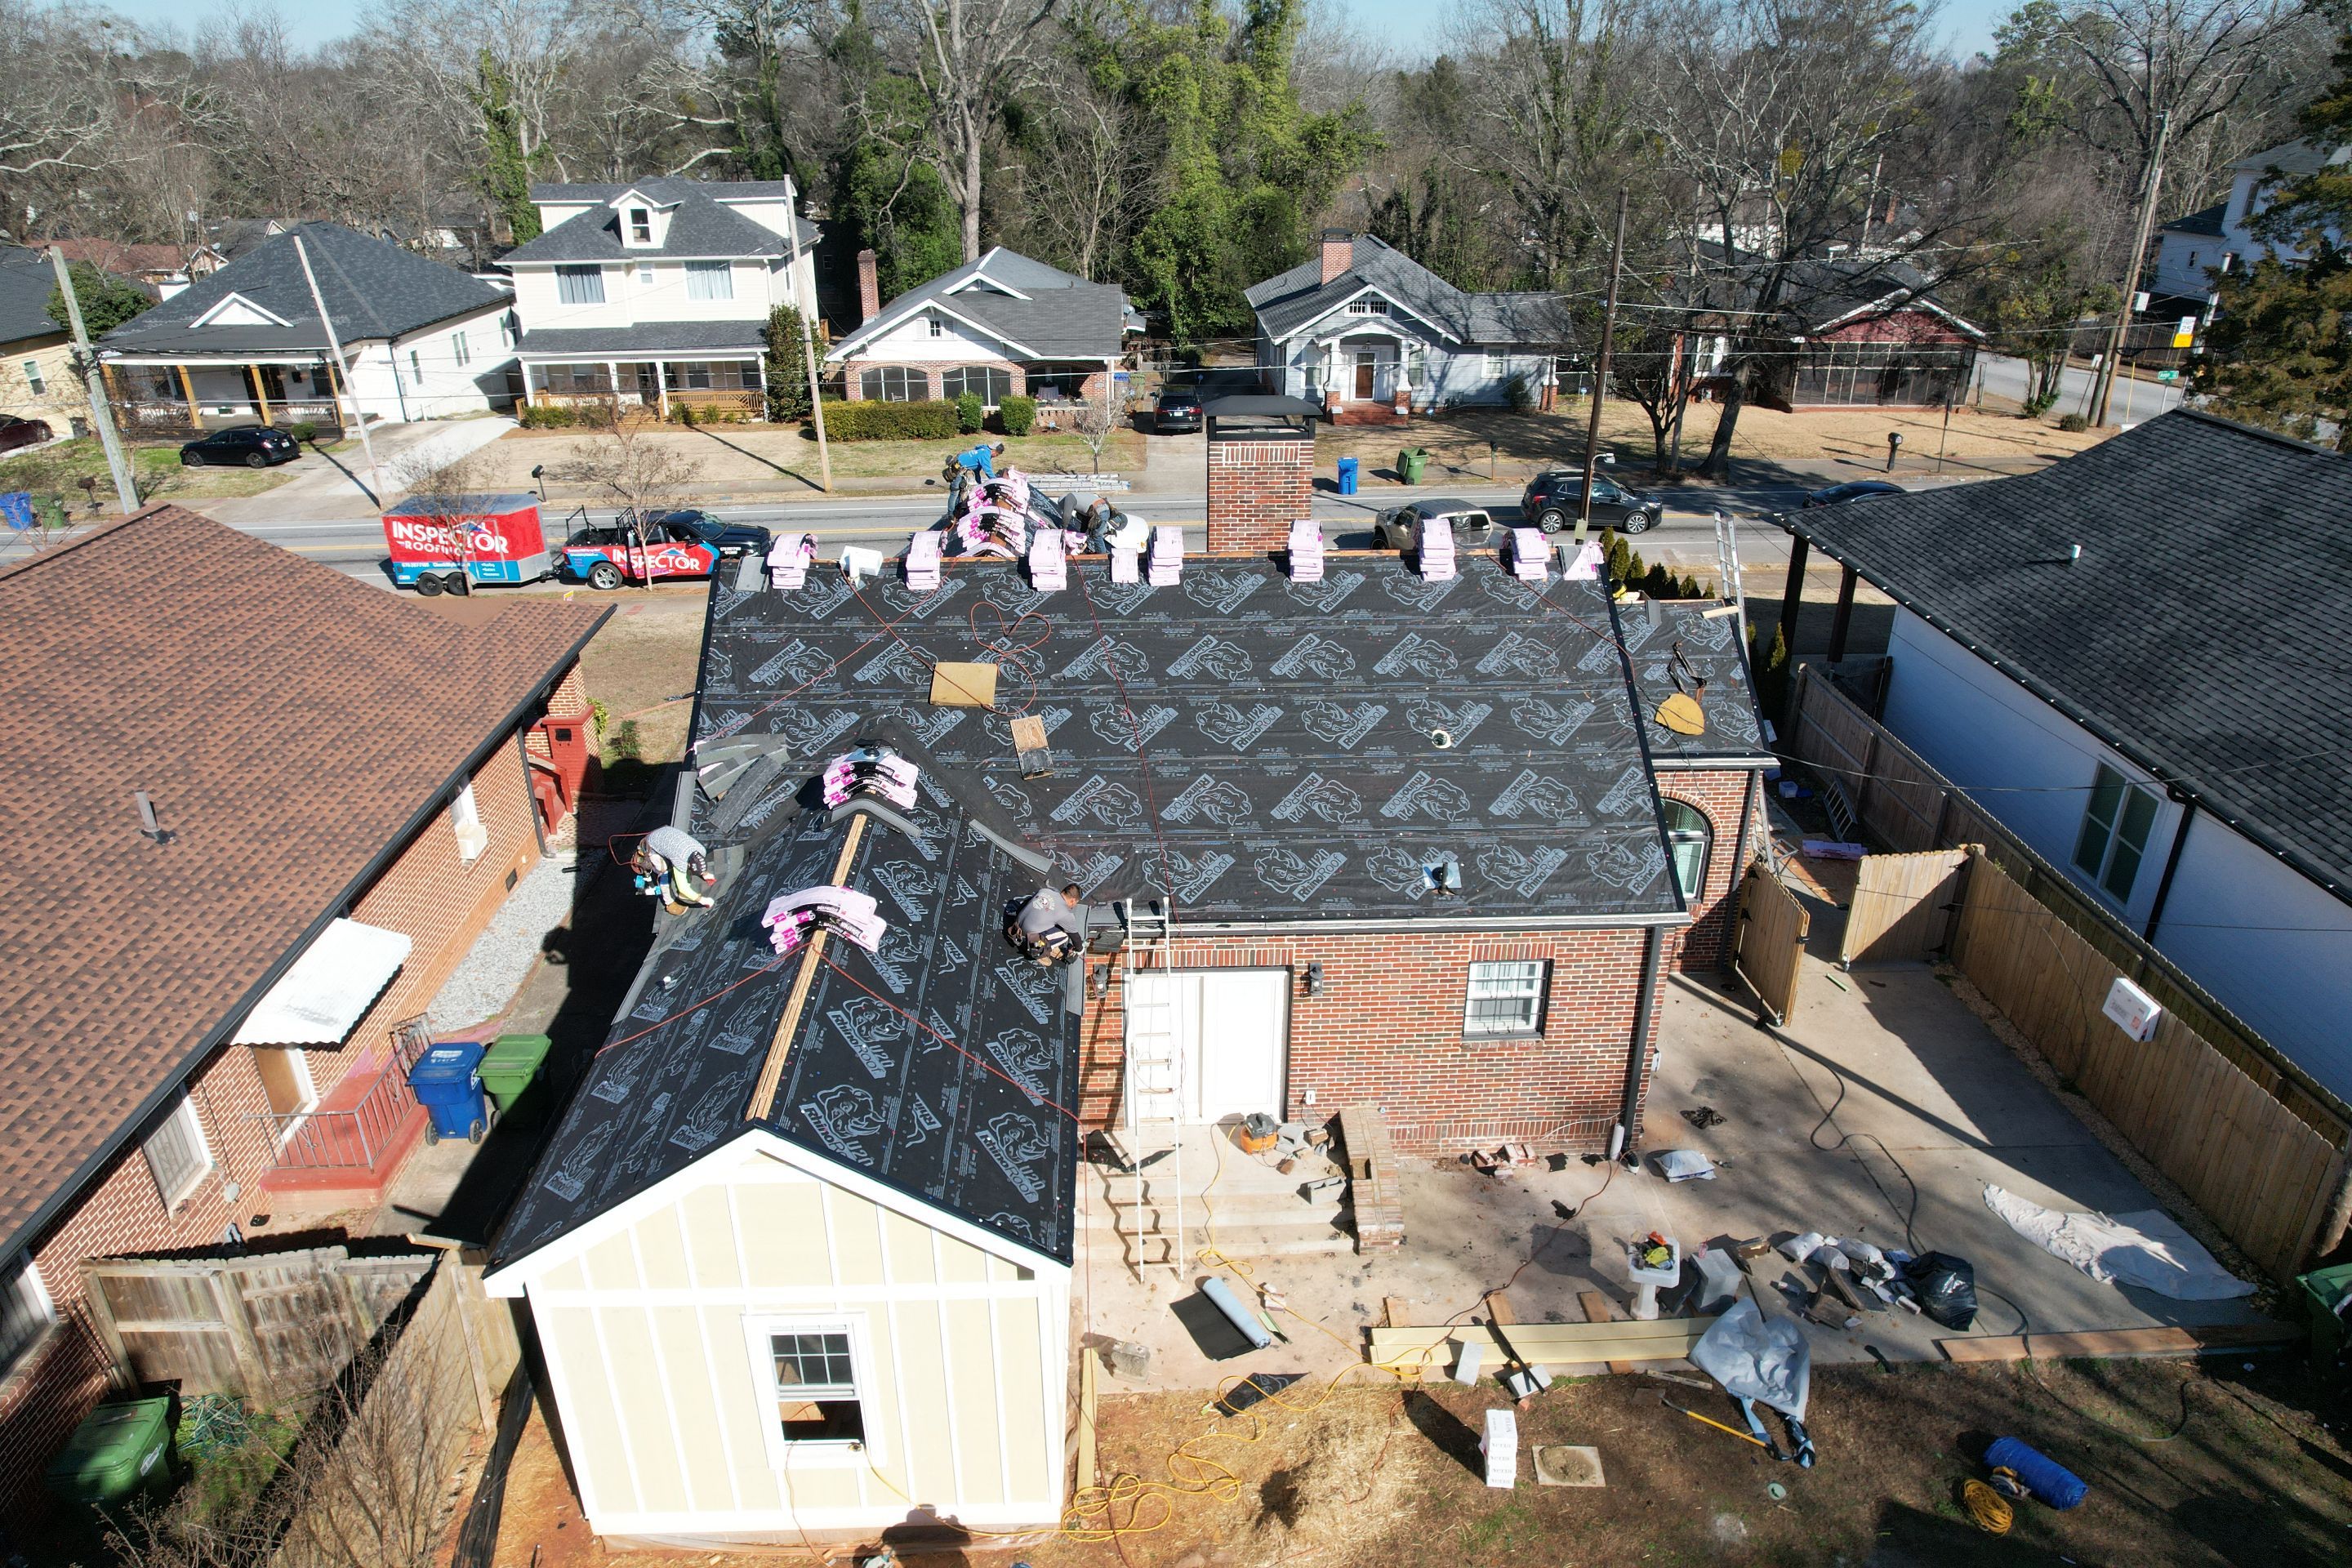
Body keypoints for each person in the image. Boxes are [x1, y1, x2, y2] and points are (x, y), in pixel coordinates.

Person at [1009, 882, 1086, 965]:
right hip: (1026, 940)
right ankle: (1040, 951)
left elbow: (1026, 905)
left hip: (1014, 928)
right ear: (1073, 901)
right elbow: (1075, 938)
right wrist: (1080, 950)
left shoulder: (1044, 891)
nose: (1074, 906)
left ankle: (1042, 943)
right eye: (1075, 903)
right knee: (1065, 935)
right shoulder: (1066, 914)